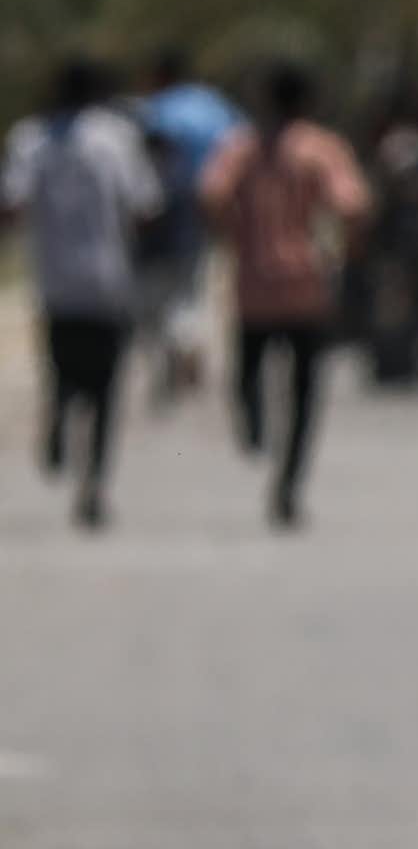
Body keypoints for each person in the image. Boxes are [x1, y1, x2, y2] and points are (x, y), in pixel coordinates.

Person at [199, 62, 374, 529]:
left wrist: (235, 234)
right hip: (306, 286)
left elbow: (212, 195)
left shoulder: (240, 148)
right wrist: (346, 249)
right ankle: (289, 484)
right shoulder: (321, 149)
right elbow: (352, 205)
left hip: (253, 285)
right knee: (304, 395)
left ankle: (255, 429)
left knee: (247, 375)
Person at [1, 56, 162, 528]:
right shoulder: (115, 139)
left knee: (62, 369)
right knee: (107, 389)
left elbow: (11, 205)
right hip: (108, 280)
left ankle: (58, 421)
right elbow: (145, 205)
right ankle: (94, 483)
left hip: (54, 283)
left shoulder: (30, 140)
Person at [131, 51, 242, 401]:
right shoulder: (214, 105)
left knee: (157, 287)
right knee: (192, 283)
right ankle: (187, 340)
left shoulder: (157, 109)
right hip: (209, 203)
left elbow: (149, 155)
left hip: (166, 206)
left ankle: (175, 345)